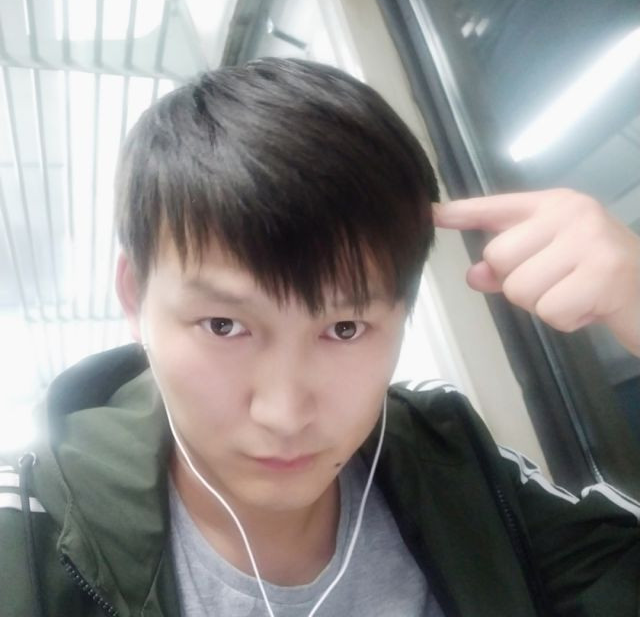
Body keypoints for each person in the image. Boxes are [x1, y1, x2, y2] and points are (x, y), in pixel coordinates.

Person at [1, 58, 639, 617]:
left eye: (344, 328)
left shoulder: (456, 470)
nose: (283, 413)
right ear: (135, 297)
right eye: (224, 325)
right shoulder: (28, 538)